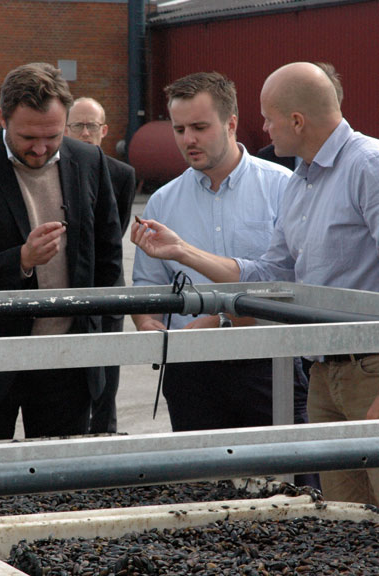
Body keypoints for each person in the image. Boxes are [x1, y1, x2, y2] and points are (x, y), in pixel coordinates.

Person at [131, 62, 379, 506]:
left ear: (297, 121)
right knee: (347, 521)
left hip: (367, 369)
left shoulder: (368, 166)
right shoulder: (302, 182)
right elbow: (270, 275)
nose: (262, 127)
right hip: (324, 370)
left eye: (268, 117)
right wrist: (181, 251)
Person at [131, 71, 315, 487]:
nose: (187, 139)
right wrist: (147, 324)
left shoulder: (284, 188)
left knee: (292, 488)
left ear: (231, 123)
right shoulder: (162, 200)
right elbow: (147, 284)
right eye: (179, 129)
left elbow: (292, 284)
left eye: (199, 127)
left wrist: (220, 320)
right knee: (203, 494)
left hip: (269, 364)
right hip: (190, 373)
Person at [0, 62, 122, 443]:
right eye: (27, 137)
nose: (40, 148)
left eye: (52, 136)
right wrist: (21, 260)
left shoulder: (89, 161)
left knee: (59, 489)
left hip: (67, 365)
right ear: (2, 118)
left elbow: (108, 263)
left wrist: (101, 348)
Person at [65, 97, 136, 433]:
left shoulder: (122, 175)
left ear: (104, 130)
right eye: (77, 125)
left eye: (91, 125)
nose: (84, 132)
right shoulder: (58, 170)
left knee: (107, 372)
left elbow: (113, 232)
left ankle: (105, 431)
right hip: (70, 288)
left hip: (106, 286)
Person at [256, 62, 344, 172]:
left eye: (269, 119)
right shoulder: (295, 178)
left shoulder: (366, 165)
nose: (265, 128)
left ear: (297, 122)